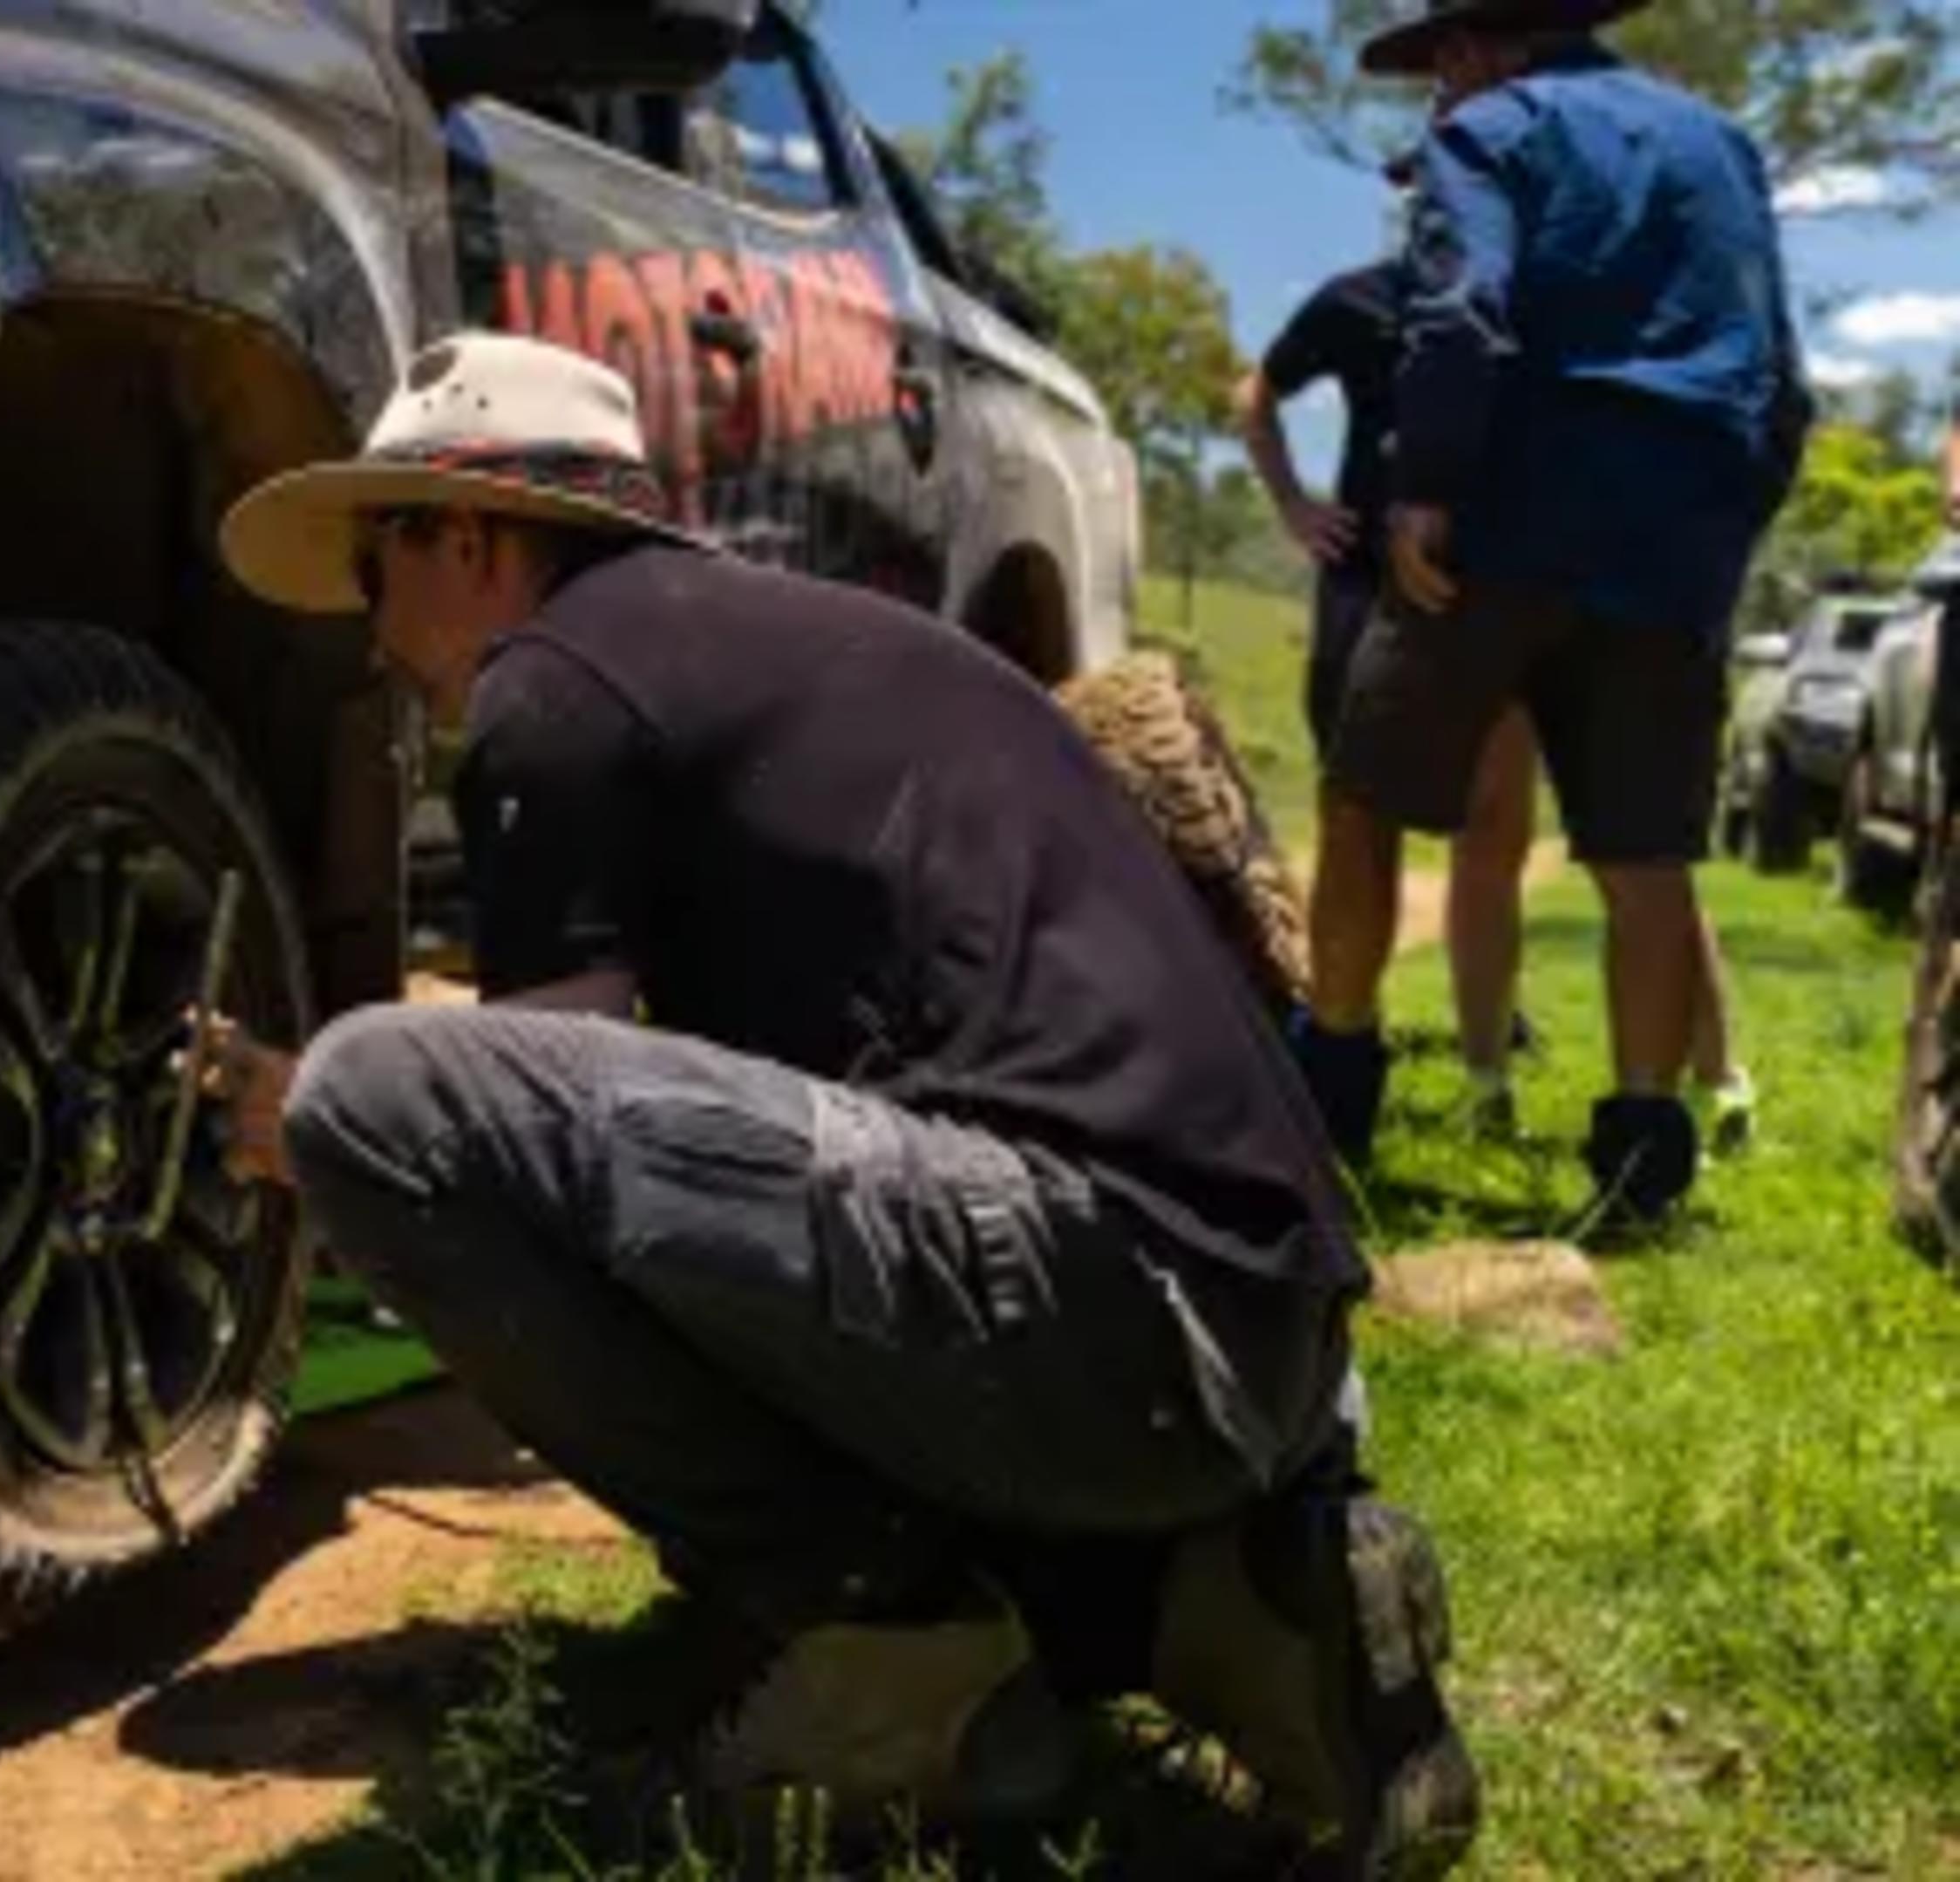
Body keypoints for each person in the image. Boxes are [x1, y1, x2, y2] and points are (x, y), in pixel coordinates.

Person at [197, 330, 1478, 1872]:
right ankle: (1237, 1606)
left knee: (373, 1100)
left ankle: (878, 1639)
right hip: (1263, 1350)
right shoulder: (801, 648)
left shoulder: (556, 675)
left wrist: (306, 1141)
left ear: (464, 532)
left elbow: (514, 1124)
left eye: (371, 570)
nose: (372, 632)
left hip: (1091, 1297)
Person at [1290, 0, 1808, 1218]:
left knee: (1364, 798)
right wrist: (1724, 529)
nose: (1435, 100)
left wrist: (1426, 489)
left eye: (1435, 72)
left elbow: (1465, 307)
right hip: (1675, 541)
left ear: (1482, 48)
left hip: (1501, 532)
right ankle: (1641, 1157)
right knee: (1646, 857)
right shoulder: (1721, 144)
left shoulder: (1494, 130)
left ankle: (1332, 1096)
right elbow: (1778, 371)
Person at [1242, 248, 1759, 1152]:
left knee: (1606, 846)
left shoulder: (1569, 296)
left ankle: (1698, 1080)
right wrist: (1293, 503)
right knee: (1382, 821)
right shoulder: (1359, 297)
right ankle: (1390, 1074)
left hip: (1525, 593)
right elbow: (1258, 388)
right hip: (1389, 594)